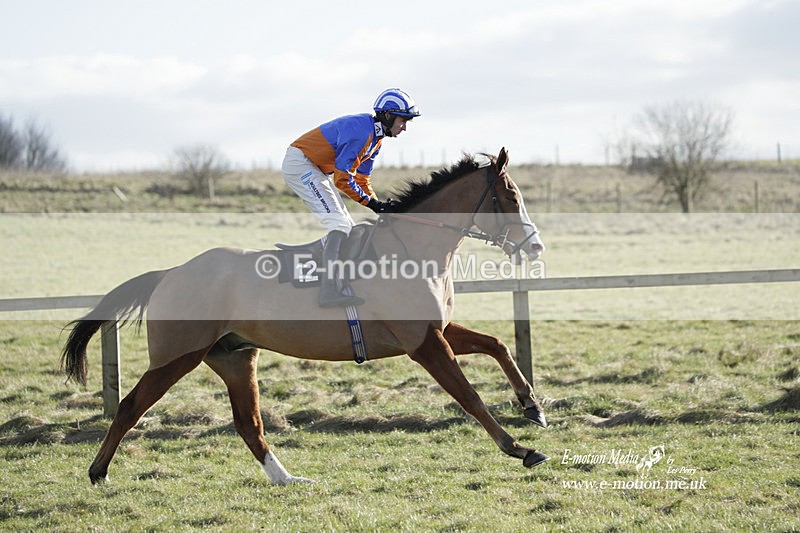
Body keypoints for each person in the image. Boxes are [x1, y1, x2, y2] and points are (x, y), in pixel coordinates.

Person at [282, 88, 420, 308]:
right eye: (403, 120)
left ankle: (334, 280)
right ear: (387, 116)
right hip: (301, 165)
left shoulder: (376, 138)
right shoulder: (362, 133)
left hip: (313, 167)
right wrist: (372, 204)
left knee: (346, 225)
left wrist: (378, 205)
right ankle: (328, 291)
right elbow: (342, 180)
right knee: (338, 224)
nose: (405, 127)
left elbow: (362, 179)